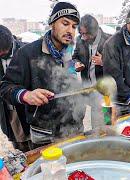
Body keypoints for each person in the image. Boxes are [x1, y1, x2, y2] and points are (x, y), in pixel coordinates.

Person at [0, 2, 84, 149]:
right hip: (44, 134)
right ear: (52, 23)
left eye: (74, 26)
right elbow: (5, 86)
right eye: (65, 23)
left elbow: (70, 83)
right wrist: (26, 95)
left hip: (75, 129)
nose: (70, 30)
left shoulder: (70, 52)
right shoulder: (27, 53)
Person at [0, 25, 30, 152]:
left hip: (28, 108)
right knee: (20, 149)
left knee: (37, 148)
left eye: (4, 52)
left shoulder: (28, 50)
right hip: (7, 111)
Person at [73, 14, 111, 84]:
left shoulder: (110, 41)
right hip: (87, 87)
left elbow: (121, 66)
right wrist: (77, 63)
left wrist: (104, 62)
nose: (83, 37)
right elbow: (75, 57)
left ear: (95, 30)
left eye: (86, 34)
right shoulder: (79, 39)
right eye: (81, 33)